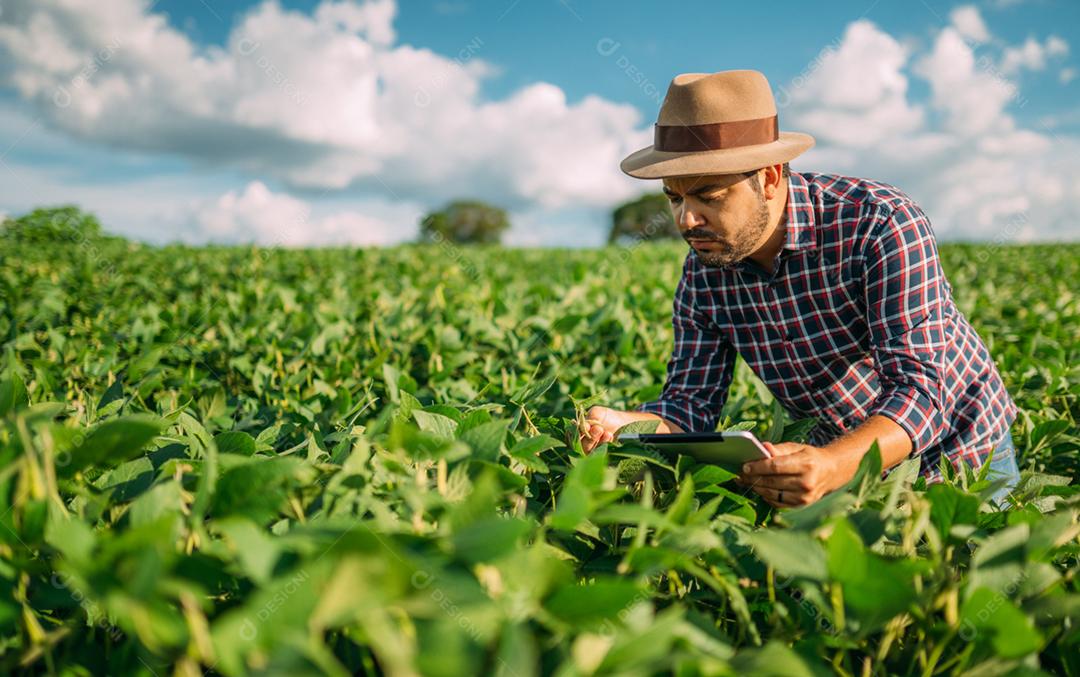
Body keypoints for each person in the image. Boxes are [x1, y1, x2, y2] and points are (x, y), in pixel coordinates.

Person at [580, 70, 1020, 508]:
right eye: (674, 198)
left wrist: (833, 464)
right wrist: (629, 427)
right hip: (839, 465)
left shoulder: (879, 224)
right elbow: (690, 406)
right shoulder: (703, 274)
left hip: (963, 453)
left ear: (769, 178)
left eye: (709, 197)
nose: (685, 221)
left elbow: (922, 393)